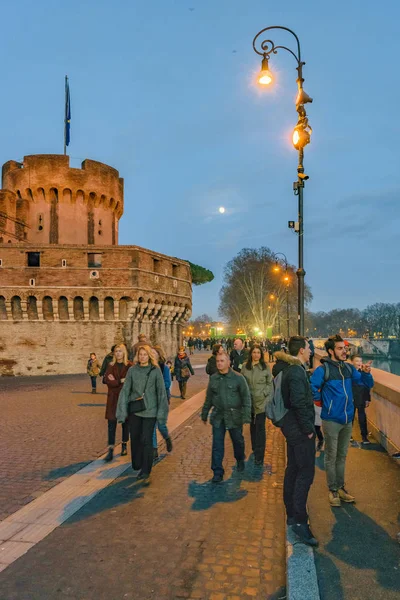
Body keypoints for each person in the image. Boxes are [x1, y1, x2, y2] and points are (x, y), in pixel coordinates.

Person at [311, 334, 374, 507]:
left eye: (345, 348)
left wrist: (367, 373)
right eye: (340, 348)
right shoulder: (323, 370)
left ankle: (340, 488)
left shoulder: (348, 368)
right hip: (331, 419)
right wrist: (322, 401)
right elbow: (312, 387)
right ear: (331, 351)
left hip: (347, 419)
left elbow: (364, 383)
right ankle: (332, 490)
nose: (344, 351)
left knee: (342, 456)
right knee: (331, 457)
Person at [272, 336, 318, 547]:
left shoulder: (288, 370)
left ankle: (291, 512)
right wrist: (309, 430)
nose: (311, 352)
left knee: (293, 469)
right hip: (299, 430)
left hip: (291, 428)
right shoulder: (297, 372)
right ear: (300, 351)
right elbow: (298, 402)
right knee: (305, 472)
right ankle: (300, 521)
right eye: (309, 348)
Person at [116, 344, 169, 483]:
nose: (142, 357)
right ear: (137, 356)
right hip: (135, 411)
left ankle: (146, 470)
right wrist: (121, 411)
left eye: (145, 354)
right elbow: (125, 391)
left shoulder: (155, 371)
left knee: (146, 440)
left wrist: (162, 414)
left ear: (149, 356)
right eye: (140, 355)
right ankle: (138, 463)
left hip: (150, 412)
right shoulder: (132, 370)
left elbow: (161, 393)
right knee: (135, 439)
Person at [201, 352, 251, 483]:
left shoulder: (238, 378)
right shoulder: (214, 378)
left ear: (228, 363)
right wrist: (205, 413)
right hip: (218, 416)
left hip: (234, 416)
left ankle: (240, 459)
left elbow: (246, 398)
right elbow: (209, 398)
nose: (219, 363)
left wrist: (246, 416)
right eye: (217, 361)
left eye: (222, 361)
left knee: (238, 441)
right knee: (217, 445)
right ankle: (217, 471)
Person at [241, 344, 273, 466]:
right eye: (254, 352)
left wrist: (264, 394)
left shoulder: (265, 367)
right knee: (252, 427)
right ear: (251, 354)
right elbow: (242, 383)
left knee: (260, 428)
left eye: (258, 353)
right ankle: (255, 448)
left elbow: (269, 383)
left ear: (261, 354)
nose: (256, 355)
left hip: (261, 402)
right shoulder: (245, 367)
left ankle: (260, 455)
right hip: (249, 402)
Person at [103, 344, 131, 462]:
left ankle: (124, 445)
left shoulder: (129, 366)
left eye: (120, 351)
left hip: (124, 398)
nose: (118, 353)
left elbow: (129, 381)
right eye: (116, 351)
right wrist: (119, 381)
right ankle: (110, 449)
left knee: (125, 423)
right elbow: (106, 380)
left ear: (124, 352)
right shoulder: (111, 365)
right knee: (111, 424)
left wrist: (114, 381)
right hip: (113, 398)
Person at [152, 345, 173, 460]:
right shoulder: (147, 367)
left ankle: (167, 438)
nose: (152, 355)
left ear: (159, 355)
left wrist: (155, 387)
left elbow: (167, 383)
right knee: (151, 426)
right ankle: (154, 449)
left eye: (154, 353)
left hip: (162, 399)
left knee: (161, 425)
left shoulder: (164, 368)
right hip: (150, 401)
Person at [350, 355, 372, 445]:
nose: (359, 363)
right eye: (357, 361)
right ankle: (348, 435)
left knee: (362, 418)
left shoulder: (364, 372)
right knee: (350, 417)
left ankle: (364, 436)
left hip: (361, 397)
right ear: (352, 362)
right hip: (351, 397)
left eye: (360, 361)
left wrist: (367, 399)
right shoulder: (349, 372)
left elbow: (368, 386)